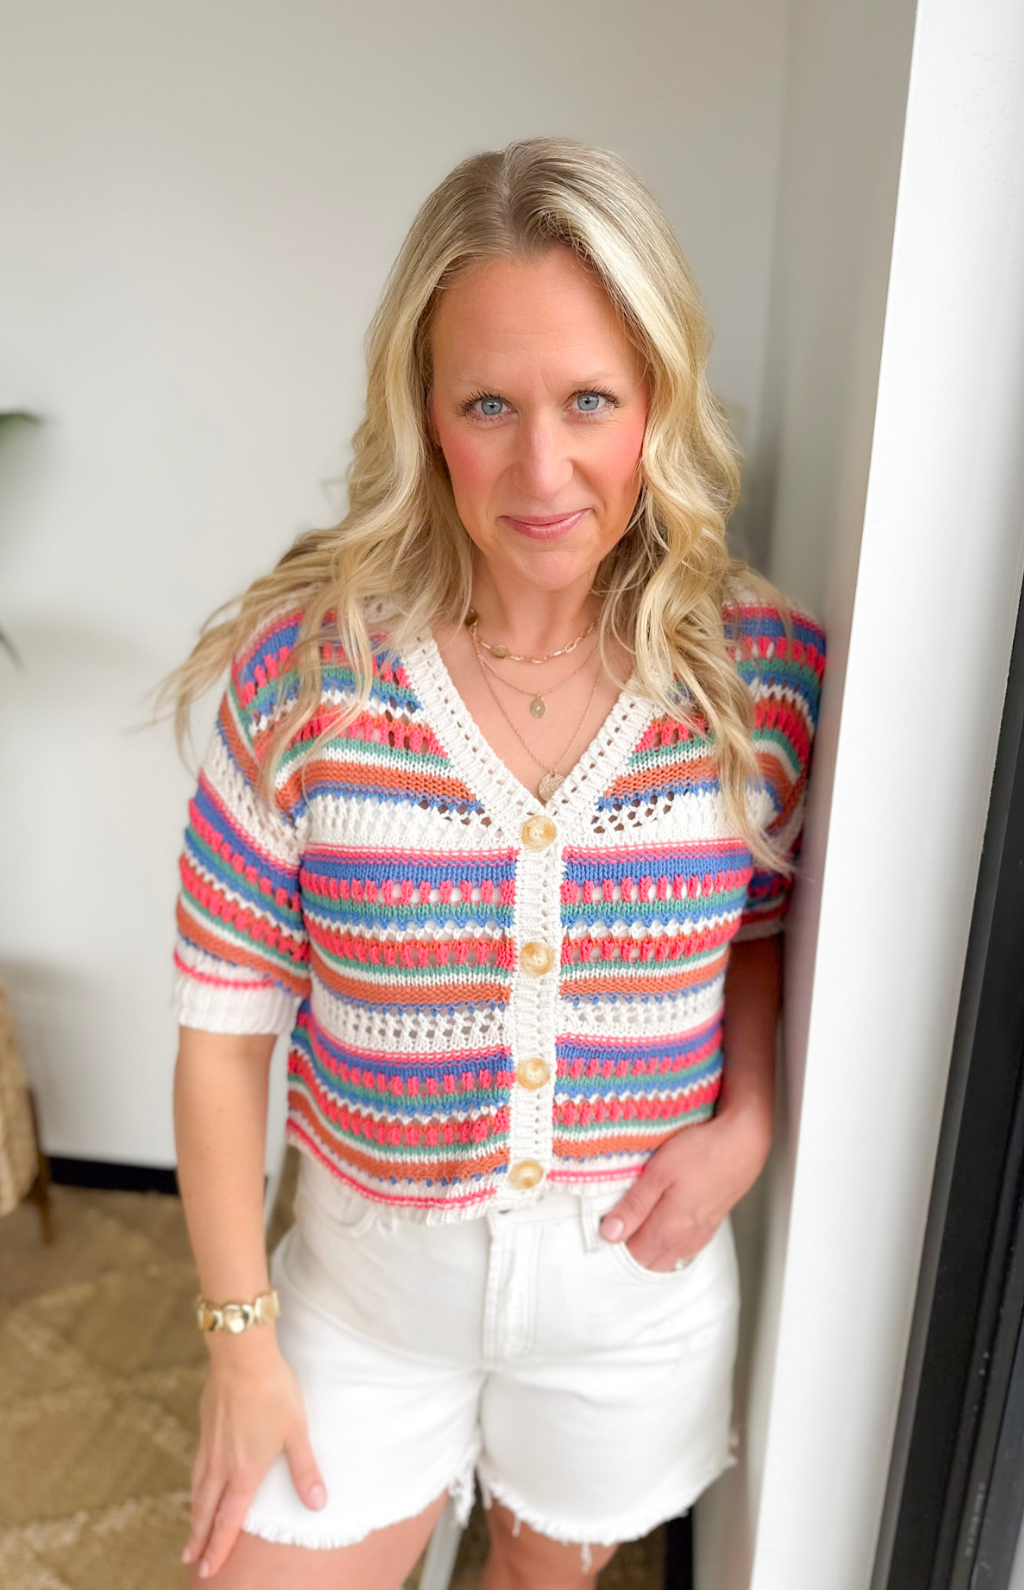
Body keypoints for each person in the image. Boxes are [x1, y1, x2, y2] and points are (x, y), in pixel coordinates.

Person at [164, 136, 826, 1590]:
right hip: (361, 1307)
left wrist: (752, 1119)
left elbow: (759, 933)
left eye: (590, 399)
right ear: (425, 414)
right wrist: (240, 1342)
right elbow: (221, 1037)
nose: (543, 468)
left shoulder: (759, 676)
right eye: (488, 405)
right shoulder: (306, 677)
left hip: (629, 1310)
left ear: (657, 397)